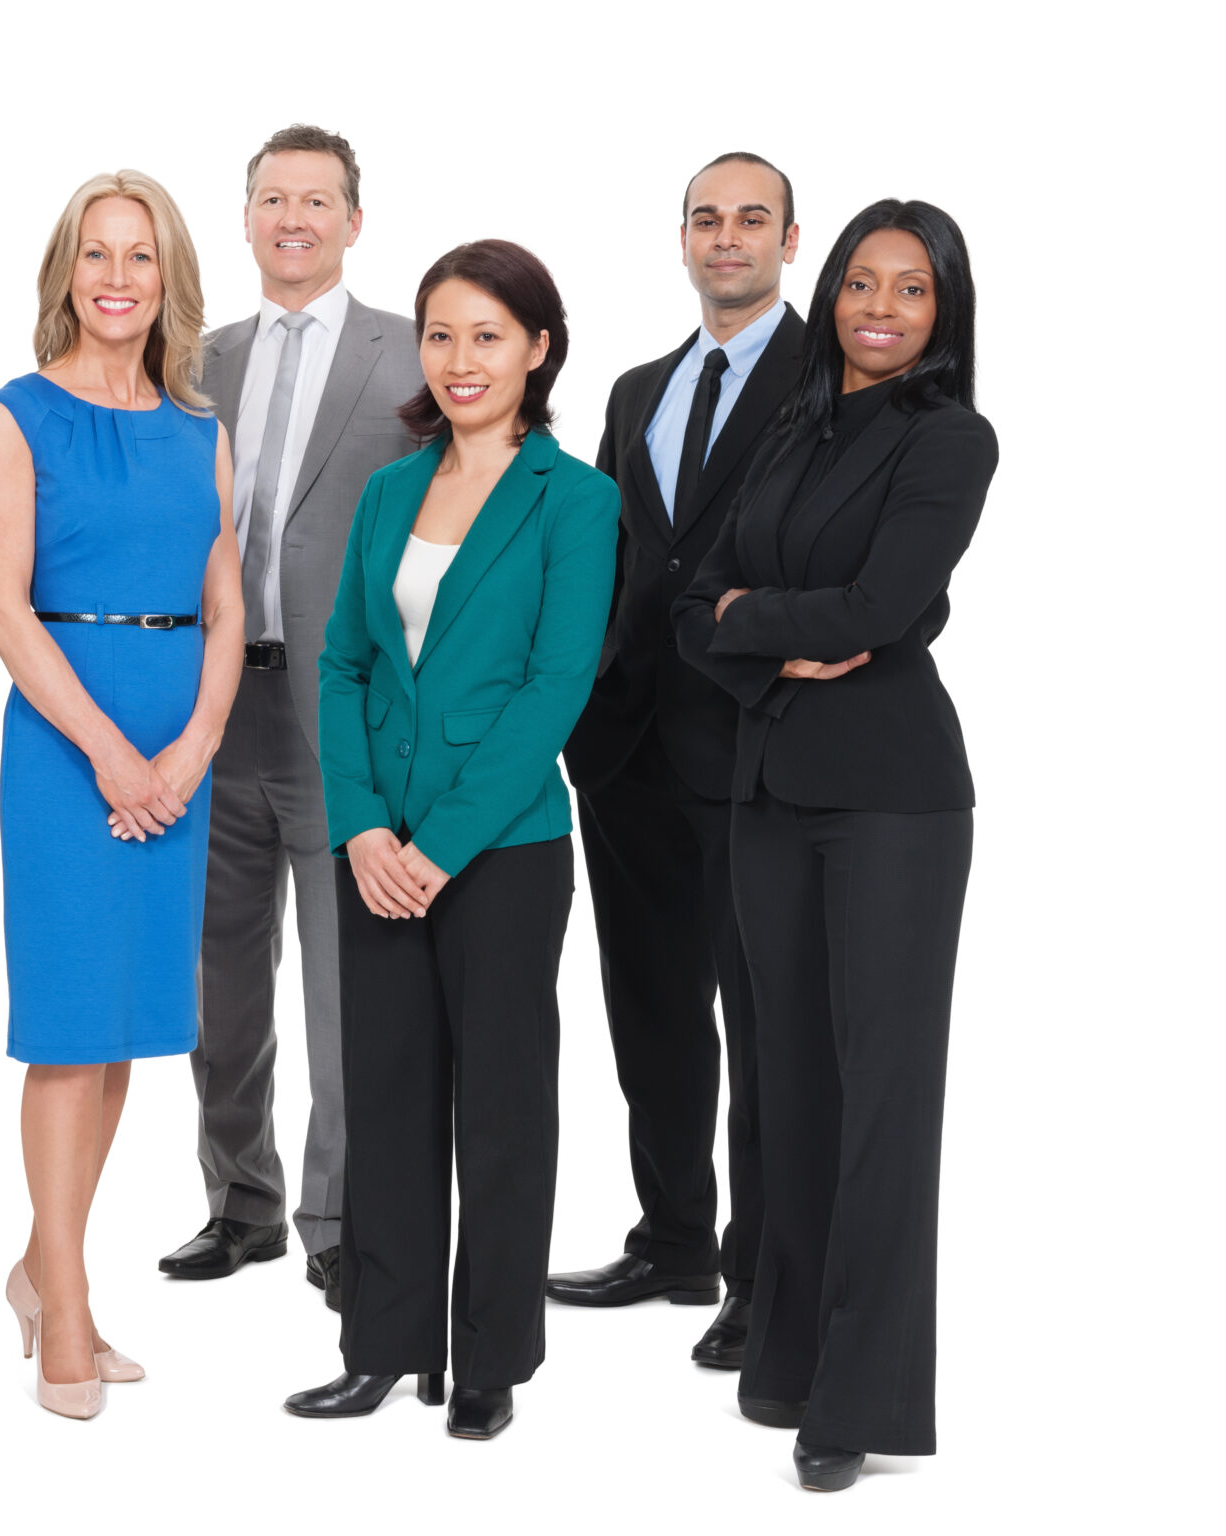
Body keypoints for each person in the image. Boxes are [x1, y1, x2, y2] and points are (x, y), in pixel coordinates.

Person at [670, 199, 996, 1492]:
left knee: (882, 1109)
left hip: (891, 804)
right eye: (861, 281)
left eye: (909, 291)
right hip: (770, 786)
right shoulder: (794, 425)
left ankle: (857, 1402)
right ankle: (788, 1357)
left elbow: (884, 606)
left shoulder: (951, 438)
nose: (877, 307)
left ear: (942, 313)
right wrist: (759, 624)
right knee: (787, 1088)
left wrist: (762, 613)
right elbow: (692, 604)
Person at [286, 241, 618, 1440]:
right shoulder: (390, 488)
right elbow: (341, 667)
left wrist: (442, 847)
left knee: (502, 1105)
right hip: (377, 847)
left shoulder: (576, 499)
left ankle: (487, 1360)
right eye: (440, 334)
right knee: (387, 1097)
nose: (461, 359)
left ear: (537, 347)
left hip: (505, 853)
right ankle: (382, 1344)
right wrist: (368, 827)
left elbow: (554, 687)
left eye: (488, 335)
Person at [0, 171, 242, 1419]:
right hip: (65, 747)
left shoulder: (201, 426)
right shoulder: (14, 416)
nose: (118, 277)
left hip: (176, 740)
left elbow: (226, 600)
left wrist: (190, 748)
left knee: (129, 1024)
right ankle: (66, 1301)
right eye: (97, 254)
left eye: (141, 256)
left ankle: (45, 1263)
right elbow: (4, 606)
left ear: (168, 277)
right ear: (66, 273)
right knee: (70, 1025)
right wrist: (108, 753)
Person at [547, 152, 804, 1371]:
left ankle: (760, 1270)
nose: (727, 237)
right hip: (630, 746)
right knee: (649, 1005)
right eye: (707, 218)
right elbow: (610, 551)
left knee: (759, 1021)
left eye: (752, 219)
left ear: (790, 242)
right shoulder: (640, 385)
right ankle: (675, 1237)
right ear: (683, 239)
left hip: (757, 744)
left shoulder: (825, 380)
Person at [159, 124, 422, 1306]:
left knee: (344, 980)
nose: (294, 219)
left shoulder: (415, 355)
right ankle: (241, 1202)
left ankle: (338, 1218)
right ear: (249, 216)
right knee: (219, 980)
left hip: (347, 714)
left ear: (354, 222)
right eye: (273, 199)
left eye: (318, 200)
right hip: (215, 710)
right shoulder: (194, 361)